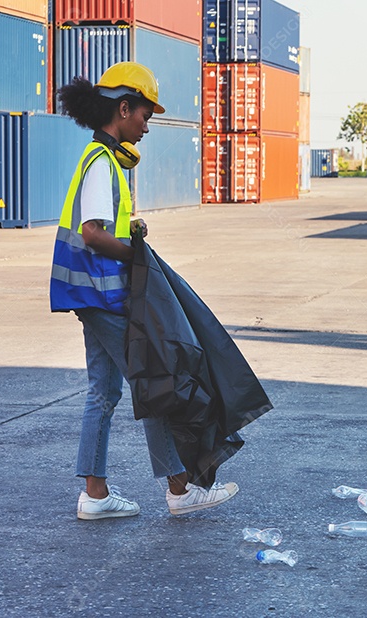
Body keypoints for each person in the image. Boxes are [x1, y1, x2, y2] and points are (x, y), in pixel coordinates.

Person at [51, 62, 238, 520]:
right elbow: (93, 234)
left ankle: (95, 495)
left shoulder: (101, 160)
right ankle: (180, 489)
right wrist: (134, 253)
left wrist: (129, 229)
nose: (147, 127)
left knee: (104, 393)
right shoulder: (102, 164)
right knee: (153, 382)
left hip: (88, 297)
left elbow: (101, 227)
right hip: (102, 294)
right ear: (123, 107)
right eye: (145, 116)